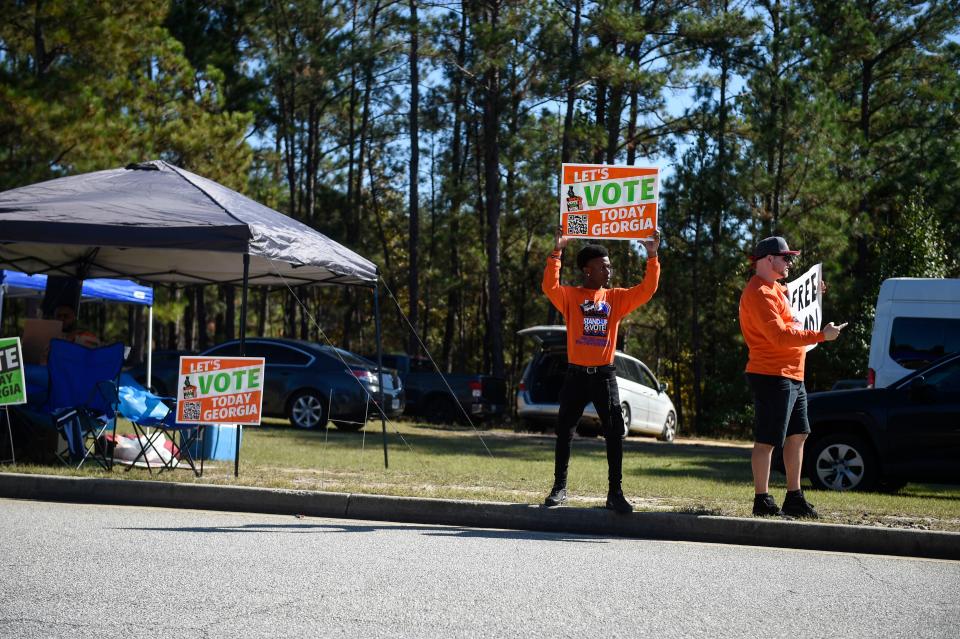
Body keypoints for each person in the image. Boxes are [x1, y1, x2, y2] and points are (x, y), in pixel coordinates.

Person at [542, 225, 661, 514]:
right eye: (603, 267)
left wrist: (652, 256)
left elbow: (648, 289)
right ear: (587, 270)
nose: (609, 272)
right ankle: (559, 488)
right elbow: (549, 287)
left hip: (604, 377)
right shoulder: (570, 296)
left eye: (609, 267)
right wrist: (557, 250)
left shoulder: (615, 298)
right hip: (575, 375)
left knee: (614, 432)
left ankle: (615, 493)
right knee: (564, 432)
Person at [738, 236, 847, 518]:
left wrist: (814, 292)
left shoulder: (774, 289)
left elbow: (791, 292)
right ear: (768, 260)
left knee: (798, 435)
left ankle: (794, 497)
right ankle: (761, 499)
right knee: (768, 440)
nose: (790, 262)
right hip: (771, 374)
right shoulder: (758, 293)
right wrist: (822, 336)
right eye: (786, 257)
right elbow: (779, 335)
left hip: (792, 374)